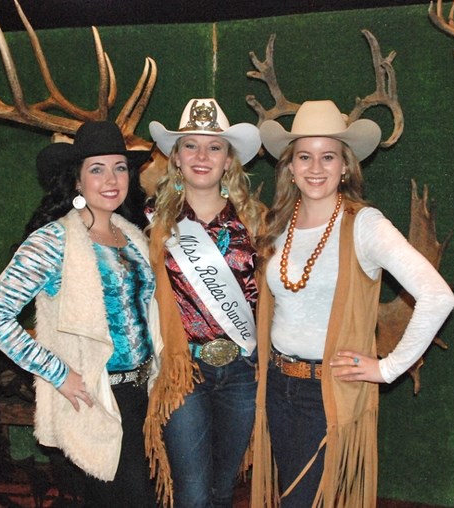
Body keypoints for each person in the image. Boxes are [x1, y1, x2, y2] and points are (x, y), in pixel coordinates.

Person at [250, 100, 454, 507]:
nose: (315, 167)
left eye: (328, 157)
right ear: (289, 166)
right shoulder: (276, 225)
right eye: (304, 157)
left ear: (346, 166)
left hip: (326, 391)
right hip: (278, 386)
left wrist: (388, 368)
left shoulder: (365, 225)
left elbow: (438, 296)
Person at [0, 120, 160, 507]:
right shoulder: (53, 240)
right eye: (97, 169)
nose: (111, 179)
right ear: (77, 180)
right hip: (95, 398)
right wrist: (58, 374)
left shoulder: (133, 234)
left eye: (120, 167)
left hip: (144, 395)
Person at [143, 98, 265, 508]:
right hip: (183, 371)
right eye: (190, 146)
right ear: (175, 157)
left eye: (214, 147)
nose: (201, 156)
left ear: (229, 161)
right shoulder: (151, 224)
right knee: (192, 493)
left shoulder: (257, 222)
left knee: (223, 489)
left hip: (243, 371)